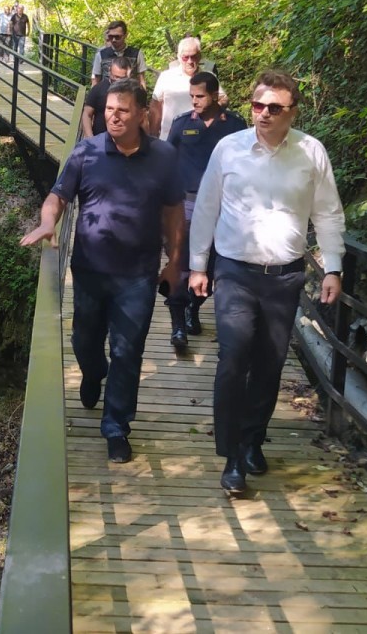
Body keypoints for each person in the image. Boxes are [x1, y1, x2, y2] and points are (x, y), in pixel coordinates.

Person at [188, 69, 346, 495]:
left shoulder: (311, 153)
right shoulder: (229, 149)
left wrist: (332, 266)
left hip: (285, 276)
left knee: (269, 364)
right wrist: (198, 265)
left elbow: (328, 213)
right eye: (258, 105)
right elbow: (206, 207)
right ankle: (233, 456)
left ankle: (254, 438)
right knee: (233, 357)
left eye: (274, 107)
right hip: (235, 271)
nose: (263, 114)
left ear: (292, 111)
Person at [21, 79, 184, 464]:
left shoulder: (164, 157)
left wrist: (176, 261)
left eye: (123, 109)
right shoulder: (86, 153)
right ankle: (94, 372)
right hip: (90, 270)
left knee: (128, 351)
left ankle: (116, 427)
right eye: (110, 108)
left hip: (138, 275)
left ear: (142, 114)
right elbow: (57, 197)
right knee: (84, 342)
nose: (113, 115)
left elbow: (174, 211)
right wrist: (48, 223)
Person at [164, 71, 246, 352]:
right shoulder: (182, 124)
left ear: (213, 94)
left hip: (224, 207)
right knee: (181, 265)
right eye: (192, 97)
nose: (195, 101)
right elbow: (165, 160)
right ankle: (177, 325)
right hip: (186, 205)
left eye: (200, 96)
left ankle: (193, 308)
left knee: (212, 267)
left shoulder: (235, 125)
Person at [149, 36, 226, 137]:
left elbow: (223, 98)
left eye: (193, 56)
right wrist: (154, 137)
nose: (189, 61)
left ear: (199, 56)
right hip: (171, 137)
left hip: (202, 136)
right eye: (185, 57)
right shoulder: (166, 77)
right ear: (179, 57)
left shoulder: (208, 76)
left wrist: (211, 113)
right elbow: (155, 107)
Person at [81, 56, 134, 138]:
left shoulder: (134, 92)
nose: (117, 81)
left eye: (122, 78)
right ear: (109, 71)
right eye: (115, 77)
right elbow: (87, 114)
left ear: (129, 75)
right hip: (99, 140)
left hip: (126, 142)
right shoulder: (98, 89)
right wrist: (90, 138)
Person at [90, 20, 147, 88]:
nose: (113, 40)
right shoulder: (101, 55)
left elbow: (141, 79)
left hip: (130, 95)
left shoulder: (136, 54)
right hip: (107, 95)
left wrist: (143, 95)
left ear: (125, 35)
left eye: (117, 37)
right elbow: (95, 81)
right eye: (111, 36)